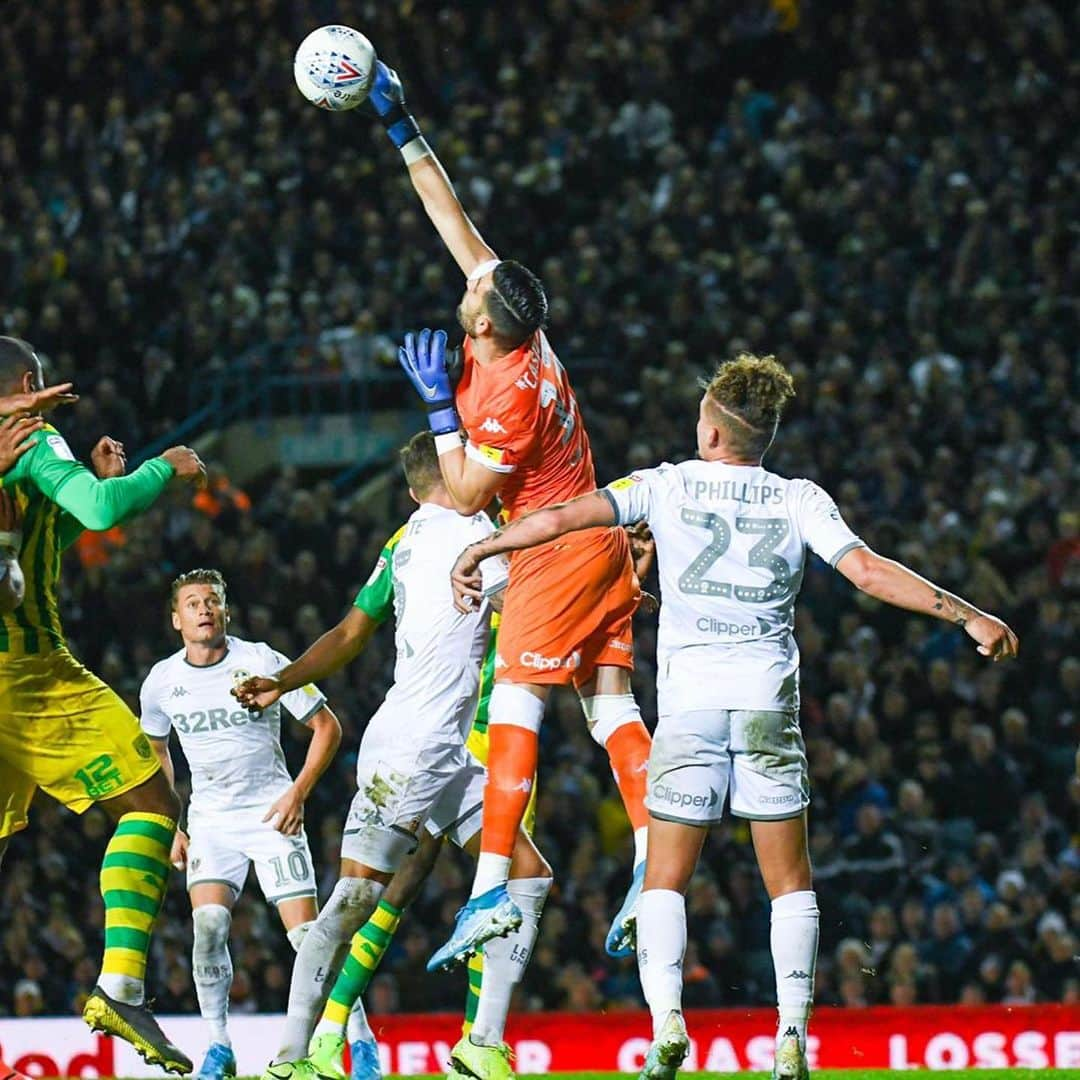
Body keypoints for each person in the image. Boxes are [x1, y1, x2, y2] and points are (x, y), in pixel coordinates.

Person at [447, 353, 1019, 1080]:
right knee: (790, 884)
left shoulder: (667, 484)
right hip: (765, 709)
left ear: (713, 432)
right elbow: (869, 570)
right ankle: (789, 1041)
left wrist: (487, 544)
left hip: (690, 713)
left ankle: (665, 1031)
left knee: (663, 882)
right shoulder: (798, 497)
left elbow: (563, 517)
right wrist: (968, 614)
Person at [367, 58, 653, 967]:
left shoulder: (503, 398)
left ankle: (490, 888)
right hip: (600, 537)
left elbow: (465, 496)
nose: (466, 285)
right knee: (610, 707)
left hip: (555, 546)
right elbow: (450, 215)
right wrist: (403, 125)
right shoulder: (512, 320)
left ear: (487, 326)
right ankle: (654, 862)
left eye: (471, 296)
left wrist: (436, 411)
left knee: (518, 705)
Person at [234, 432, 552, 1080]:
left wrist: (286, 677)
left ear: (409, 490)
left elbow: (352, 630)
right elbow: (536, 597)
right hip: (410, 753)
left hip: (444, 752)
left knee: (529, 872)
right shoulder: (467, 536)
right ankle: (292, 1057)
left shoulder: (403, 541)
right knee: (352, 902)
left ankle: (482, 1041)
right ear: (455, 476)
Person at [0, 336, 206, 1073]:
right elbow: (96, 512)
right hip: (25, 678)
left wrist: (86, 476)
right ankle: (120, 986)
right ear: (29, 383)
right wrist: (163, 468)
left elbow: (59, 512)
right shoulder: (29, 434)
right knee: (150, 799)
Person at [140, 569, 342, 1080]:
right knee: (208, 926)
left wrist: (297, 792)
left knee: (308, 939)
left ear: (226, 610)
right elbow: (156, 751)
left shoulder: (261, 661)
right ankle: (219, 1046)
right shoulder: (163, 681)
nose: (203, 609)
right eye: (192, 603)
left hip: (271, 815)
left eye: (212, 600)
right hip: (211, 822)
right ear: (175, 620)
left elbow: (327, 726)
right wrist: (172, 823)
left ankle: (351, 1045)